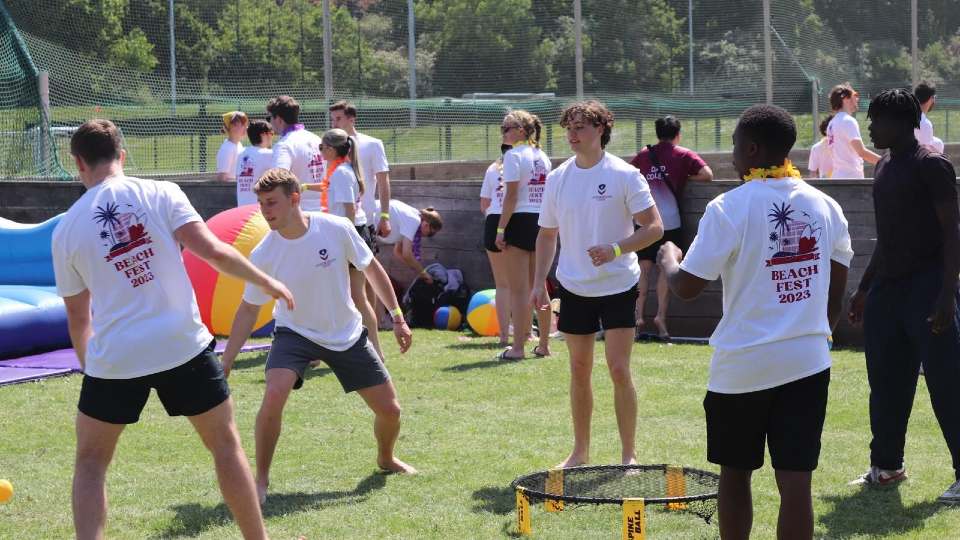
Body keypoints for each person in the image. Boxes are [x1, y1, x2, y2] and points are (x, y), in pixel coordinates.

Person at [53, 119, 295, 539]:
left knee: (91, 462)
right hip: (183, 344)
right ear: (122, 155)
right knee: (224, 446)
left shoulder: (66, 229)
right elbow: (214, 251)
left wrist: (92, 368)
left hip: (116, 357)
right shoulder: (161, 192)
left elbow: (78, 317)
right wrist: (267, 280)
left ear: (78, 164)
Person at [659, 104, 853, 539]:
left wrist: (670, 258)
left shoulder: (728, 207)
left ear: (751, 148)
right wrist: (810, 338)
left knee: (735, 473)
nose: (730, 155)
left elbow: (687, 287)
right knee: (797, 484)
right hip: (807, 363)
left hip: (741, 365)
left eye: (733, 145)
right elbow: (835, 294)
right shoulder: (827, 206)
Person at [220, 168, 416, 506]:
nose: (265, 211)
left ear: (295, 199)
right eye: (261, 204)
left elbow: (372, 270)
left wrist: (397, 317)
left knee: (391, 412)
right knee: (274, 393)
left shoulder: (336, 229)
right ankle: (261, 480)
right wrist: (226, 362)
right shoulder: (264, 253)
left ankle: (385, 457)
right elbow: (248, 311)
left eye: (272, 203)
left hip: (345, 333)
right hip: (294, 332)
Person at [531, 100, 664, 468]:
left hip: (619, 285)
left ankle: (629, 456)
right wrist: (538, 280)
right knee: (578, 368)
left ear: (601, 130)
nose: (572, 135)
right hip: (574, 287)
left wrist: (617, 248)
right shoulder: (558, 178)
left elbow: (654, 227)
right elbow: (546, 235)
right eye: (569, 128)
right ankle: (580, 452)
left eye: (581, 128)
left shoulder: (625, 174)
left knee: (619, 369)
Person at [847, 89, 960, 505]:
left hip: (929, 289)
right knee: (886, 381)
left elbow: (953, 234)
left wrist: (948, 295)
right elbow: (887, 237)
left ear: (900, 122)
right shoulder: (885, 167)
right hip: (887, 292)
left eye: (876, 120)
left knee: (948, 383)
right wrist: (863, 288)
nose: (870, 127)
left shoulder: (932, 166)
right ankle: (887, 466)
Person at [303, 129, 385, 361]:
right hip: (348, 233)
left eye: (321, 148)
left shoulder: (341, 173)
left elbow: (348, 211)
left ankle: (373, 350)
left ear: (331, 149)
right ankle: (363, 350)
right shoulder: (342, 171)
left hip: (348, 234)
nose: (319, 152)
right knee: (352, 295)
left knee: (354, 296)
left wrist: (346, 244)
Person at [629, 115, 713, 339]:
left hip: (645, 221)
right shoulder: (683, 154)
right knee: (666, 268)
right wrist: (684, 176)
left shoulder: (644, 155)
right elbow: (707, 174)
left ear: (657, 133)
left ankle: (637, 318)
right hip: (671, 222)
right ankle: (661, 318)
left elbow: (627, 176)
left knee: (643, 269)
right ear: (678, 134)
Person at [495, 110, 552, 360]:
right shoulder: (543, 156)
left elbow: (511, 197)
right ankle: (544, 346)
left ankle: (517, 348)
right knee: (540, 286)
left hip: (519, 220)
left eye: (507, 128)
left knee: (519, 290)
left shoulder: (513, 156)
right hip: (542, 221)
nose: (503, 132)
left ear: (521, 130)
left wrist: (500, 229)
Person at [329, 100, 393, 238]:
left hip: (363, 220)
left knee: (366, 259)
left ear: (351, 119)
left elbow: (383, 181)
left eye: (338, 119)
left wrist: (385, 216)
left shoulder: (373, 144)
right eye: (332, 120)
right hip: (335, 220)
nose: (334, 124)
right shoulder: (328, 147)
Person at [480, 144, 514, 345]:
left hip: (493, 221)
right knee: (524, 285)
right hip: (517, 220)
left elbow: (484, 204)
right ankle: (526, 332)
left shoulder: (492, 168)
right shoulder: (531, 163)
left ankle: (504, 335)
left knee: (502, 285)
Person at [267, 95, 324, 211]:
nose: (270, 123)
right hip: (326, 209)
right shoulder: (317, 139)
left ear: (279, 119)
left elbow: (277, 180)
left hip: (300, 214)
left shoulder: (284, 145)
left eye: (269, 118)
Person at [374, 199, 443, 278]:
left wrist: (415, 267)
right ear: (426, 225)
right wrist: (423, 273)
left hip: (369, 227)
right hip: (366, 220)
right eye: (431, 233)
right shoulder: (414, 221)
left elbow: (397, 251)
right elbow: (407, 254)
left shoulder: (410, 223)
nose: (428, 236)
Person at [826, 83, 881, 179]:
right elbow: (861, 152)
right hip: (851, 179)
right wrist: (887, 162)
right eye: (855, 95)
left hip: (837, 177)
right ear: (845, 98)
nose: (857, 98)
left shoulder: (831, 124)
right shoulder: (848, 121)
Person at [236, 120, 275, 206]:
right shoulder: (268, 154)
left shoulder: (241, 153)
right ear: (263, 135)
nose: (272, 137)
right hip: (258, 209)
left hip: (241, 206)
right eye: (271, 134)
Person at [216, 111, 248, 182]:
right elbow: (222, 178)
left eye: (246, 125)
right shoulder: (227, 149)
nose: (246, 128)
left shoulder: (239, 145)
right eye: (243, 125)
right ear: (232, 126)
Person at [914, 82, 941, 152]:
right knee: (939, 145)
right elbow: (924, 155)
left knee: (938, 143)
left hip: (895, 159)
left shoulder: (903, 116)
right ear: (931, 98)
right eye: (934, 97)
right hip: (912, 160)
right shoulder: (925, 124)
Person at [807, 115, 834, 179]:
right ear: (825, 130)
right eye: (831, 128)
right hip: (825, 184)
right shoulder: (816, 148)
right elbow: (812, 173)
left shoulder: (845, 145)